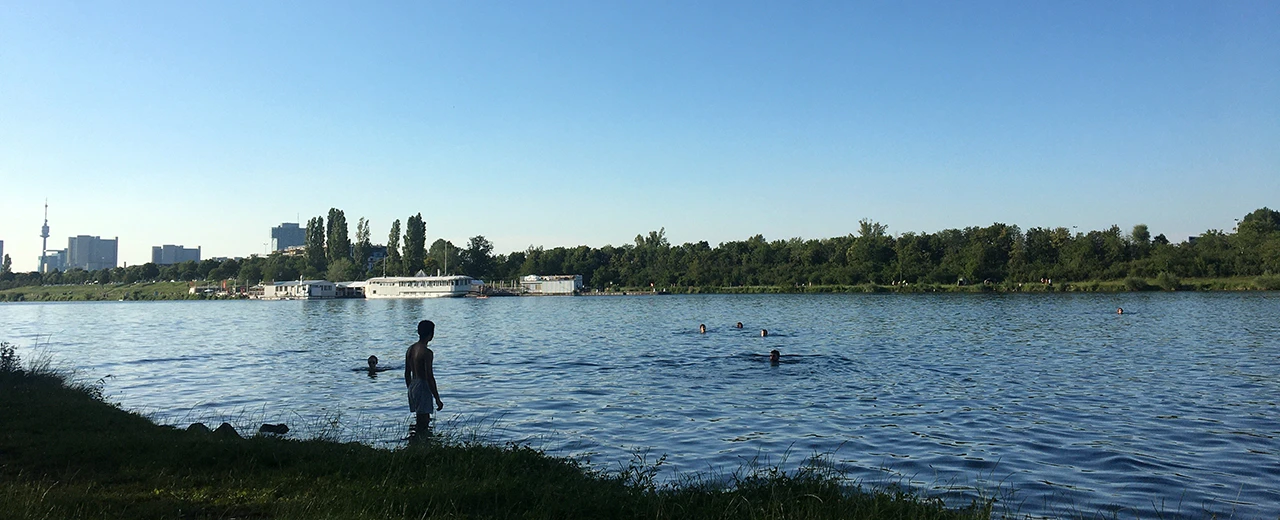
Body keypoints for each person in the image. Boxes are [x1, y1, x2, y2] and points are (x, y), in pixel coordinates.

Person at [405, 320, 443, 440]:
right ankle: (421, 442)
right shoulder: (427, 352)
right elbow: (429, 377)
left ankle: (415, 440)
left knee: (419, 417)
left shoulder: (410, 349)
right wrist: (437, 398)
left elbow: (407, 373)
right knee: (424, 420)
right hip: (422, 385)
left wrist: (410, 388)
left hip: (413, 384)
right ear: (431, 334)